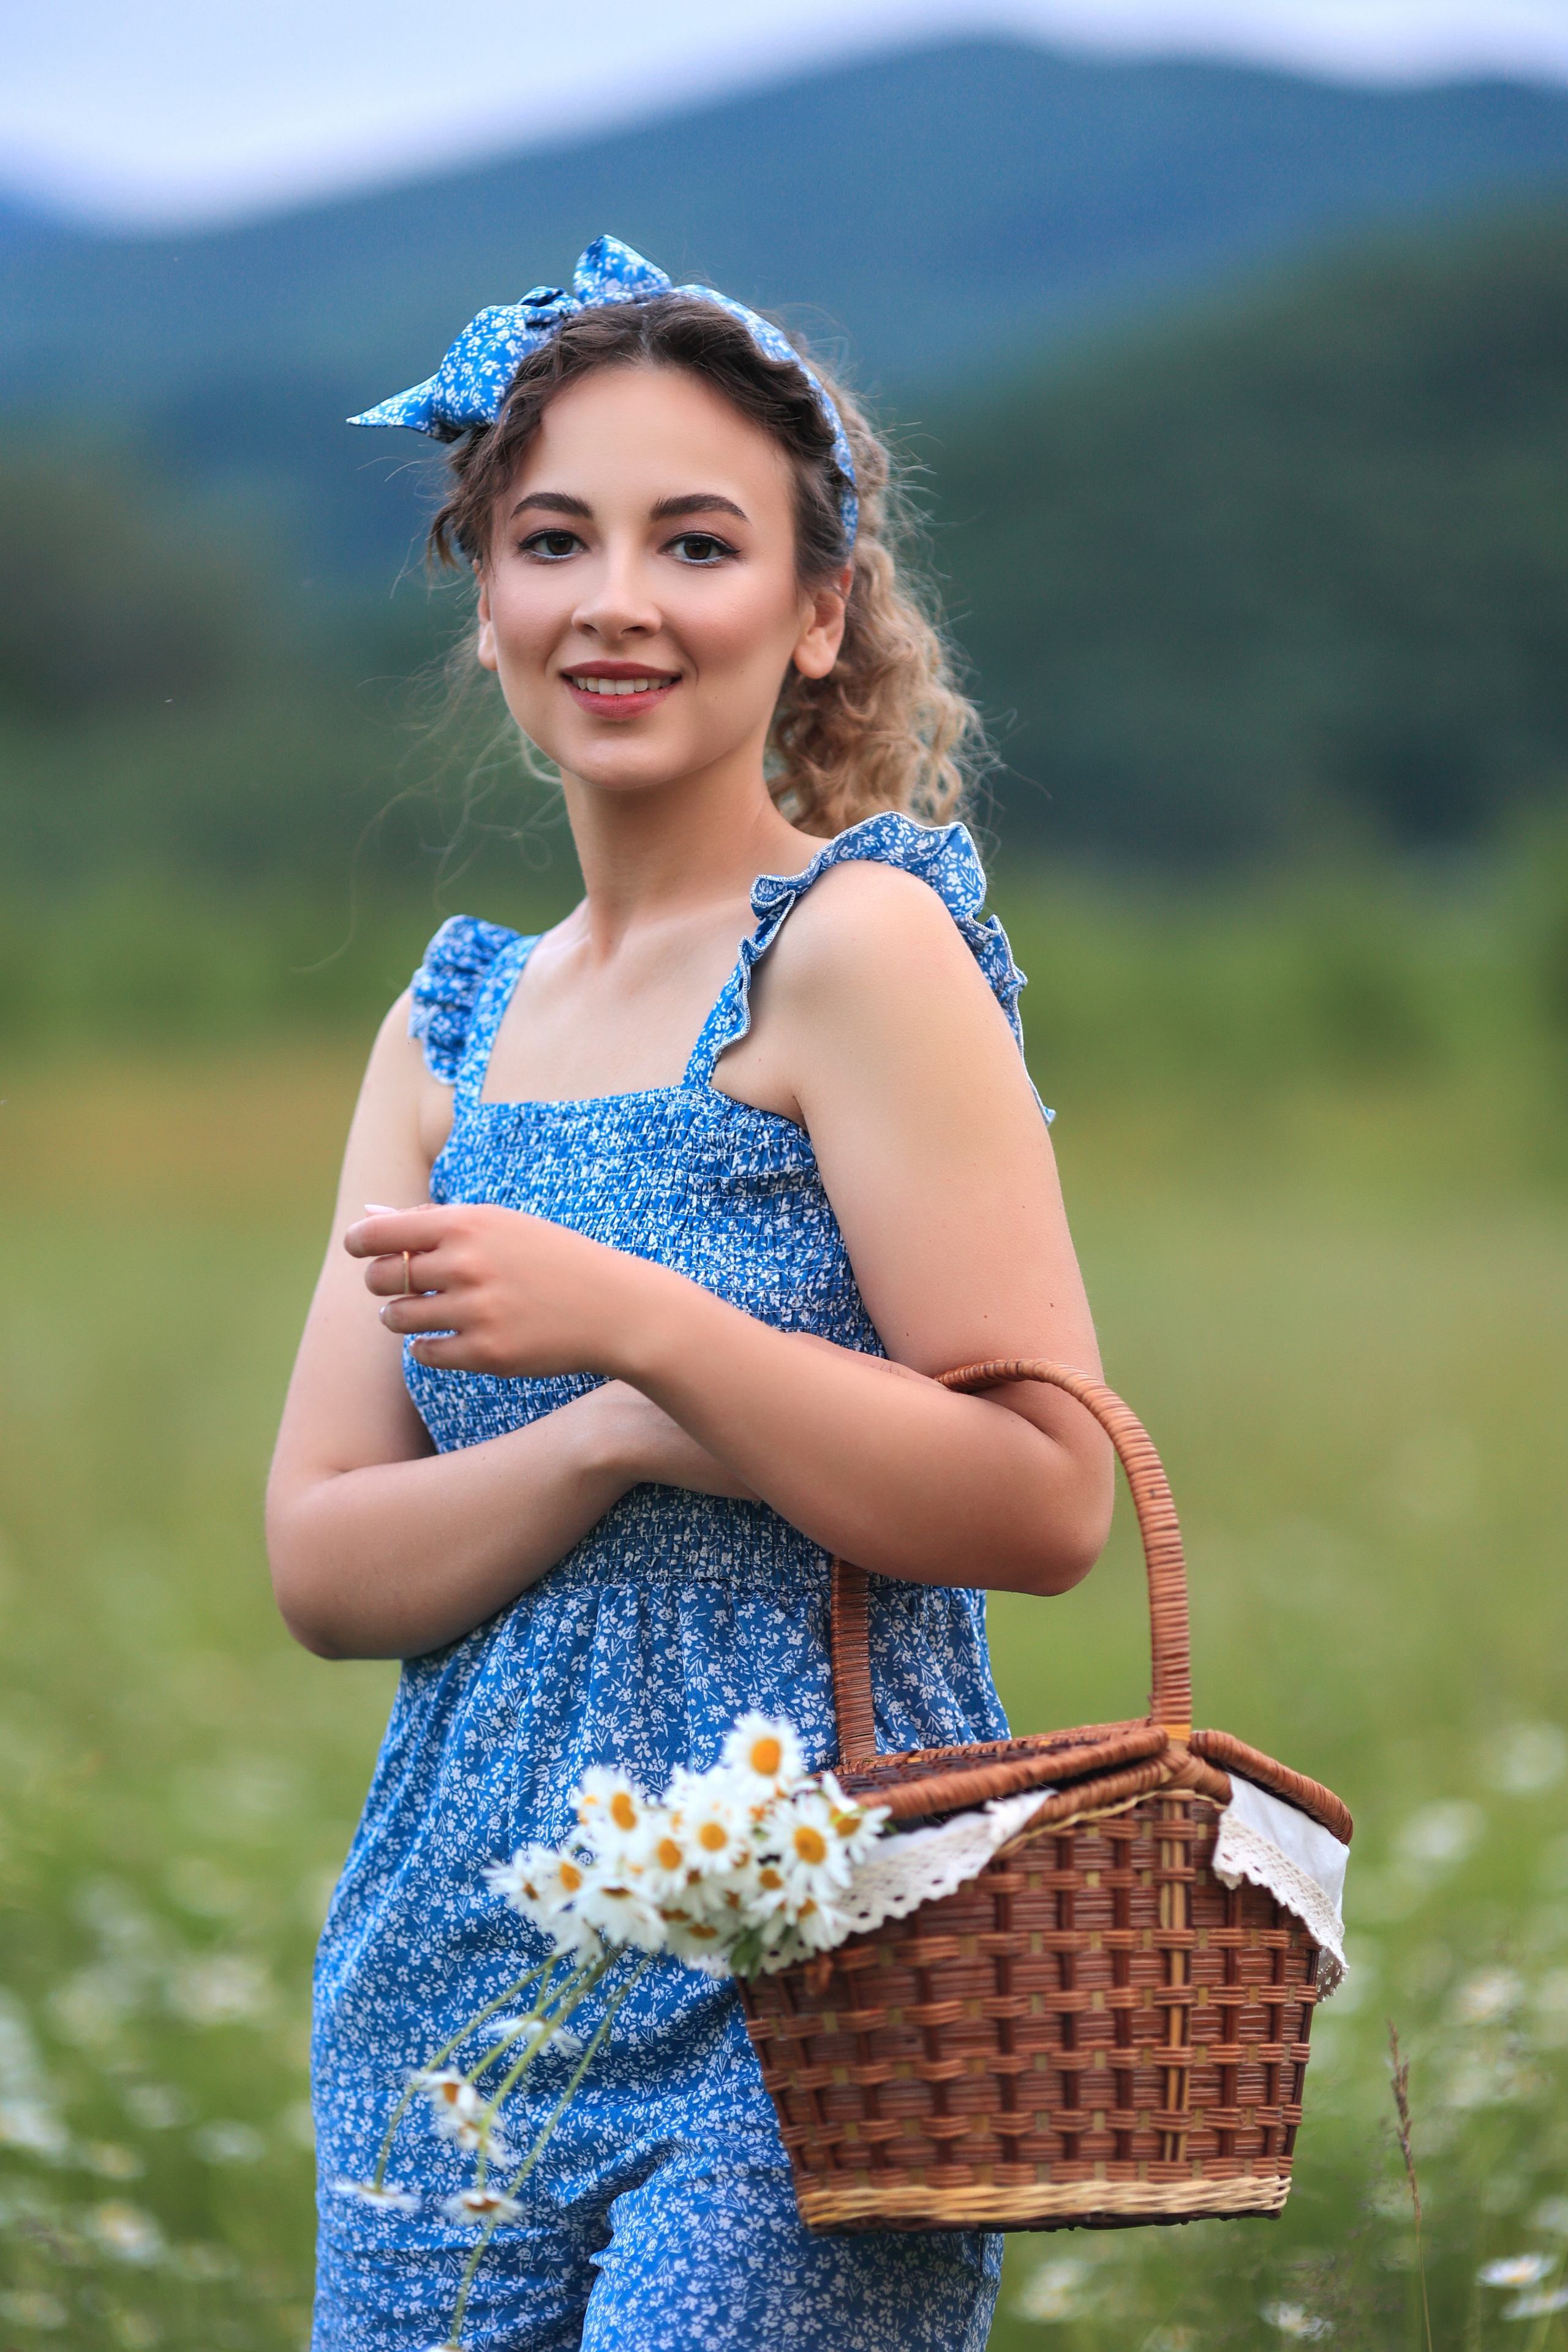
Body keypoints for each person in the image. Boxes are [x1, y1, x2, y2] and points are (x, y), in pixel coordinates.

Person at [266, 236, 1112, 2352]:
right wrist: (621, 1431)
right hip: (453, 1982)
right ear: (487, 604)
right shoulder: (446, 1032)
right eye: (553, 539)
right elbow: (327, 1559)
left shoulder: (857, 950)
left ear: (818, 614)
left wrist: (656, 1332)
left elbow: (1047, 1497)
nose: (615, 601)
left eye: (698, 542)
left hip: (812, 1971)